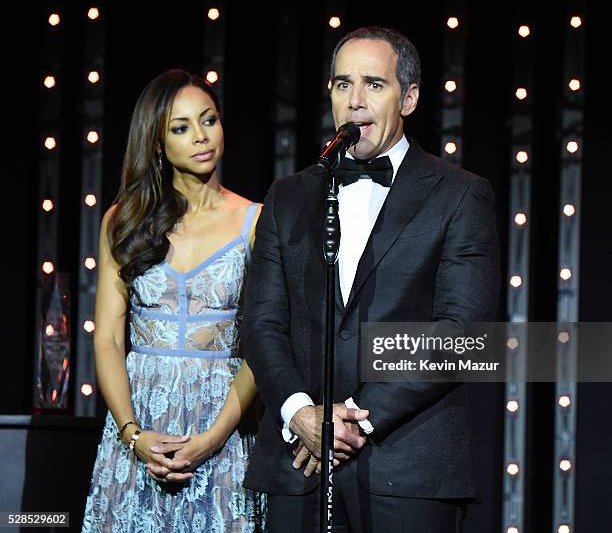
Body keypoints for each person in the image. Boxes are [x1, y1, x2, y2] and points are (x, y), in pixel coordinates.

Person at [240, 27, 499, 532]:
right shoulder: (290, 195)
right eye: (342, 84)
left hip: (409, 465)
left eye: (374, 85)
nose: (355, 101)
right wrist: (300, 414)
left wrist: (358, 417)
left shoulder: (459, 195)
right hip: (301, 464)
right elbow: (261, 322)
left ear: (410, 97)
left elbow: (462, 333)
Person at [82, 69, 266, 532]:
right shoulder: (122, 222)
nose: (201, 137)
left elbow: (262, 343)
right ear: (157, 143)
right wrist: (133, 433)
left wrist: (212, 439)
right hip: (140, 420)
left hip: (223, 423)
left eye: (209, 120)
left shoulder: (257, 221)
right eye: (181, 128)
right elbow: (106, 337)